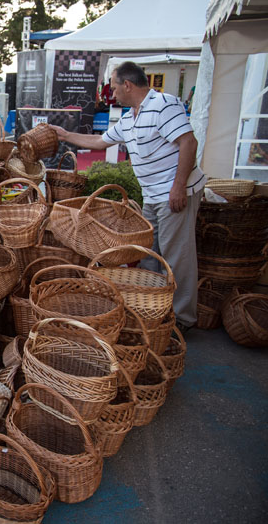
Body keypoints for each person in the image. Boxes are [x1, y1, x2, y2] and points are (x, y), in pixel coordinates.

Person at [50, 61, 205, 333]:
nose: (112, 93)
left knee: (176, 255)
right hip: (152, 196)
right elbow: (100, 142)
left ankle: (182, 319)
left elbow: (188, 142)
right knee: (148, 253)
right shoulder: (129, 118)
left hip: (172, 192)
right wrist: (65, 135)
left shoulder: (163, 104)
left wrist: (178, 187)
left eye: (114, 87)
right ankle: (152, 311)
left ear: (128, 85)